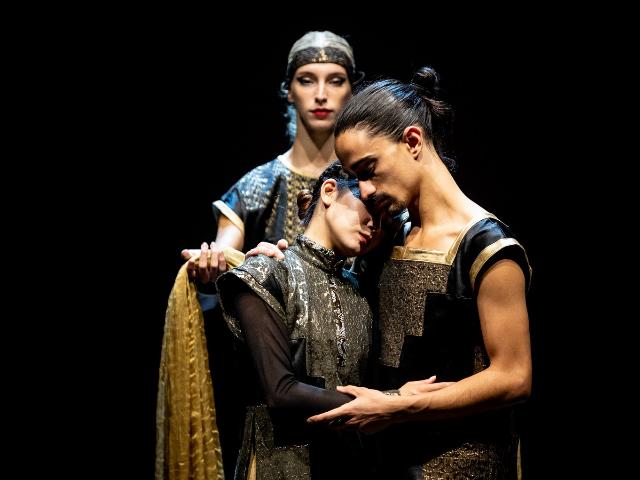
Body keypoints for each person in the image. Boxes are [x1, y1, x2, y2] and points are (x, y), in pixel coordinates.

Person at [307, 67, 533, 478]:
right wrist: (279, 260)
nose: (365, 190)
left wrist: (399, 406)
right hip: (385, 461)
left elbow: (514, 377)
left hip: (463, 463)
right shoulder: (388, 236)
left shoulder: (486, 247)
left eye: (368, 169)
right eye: (356, 178)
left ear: (412, 141)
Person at [174, 31, 365, 478]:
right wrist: (214, 265)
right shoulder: (258, 185)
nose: (321, 94)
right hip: (280, 392)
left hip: (359, 371)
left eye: (335, 80)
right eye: (307, 80)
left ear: (352, 90)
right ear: (288, 91)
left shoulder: (366, 183)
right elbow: (225, 251)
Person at [215, 162, 377, 479]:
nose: (374, 223)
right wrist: (390, 403)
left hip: (348, 467)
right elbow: (281, 391)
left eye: (382, 216)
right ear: (329, 191)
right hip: (279, 467)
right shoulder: (266, 271)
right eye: (369, 205)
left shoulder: (361, 292)